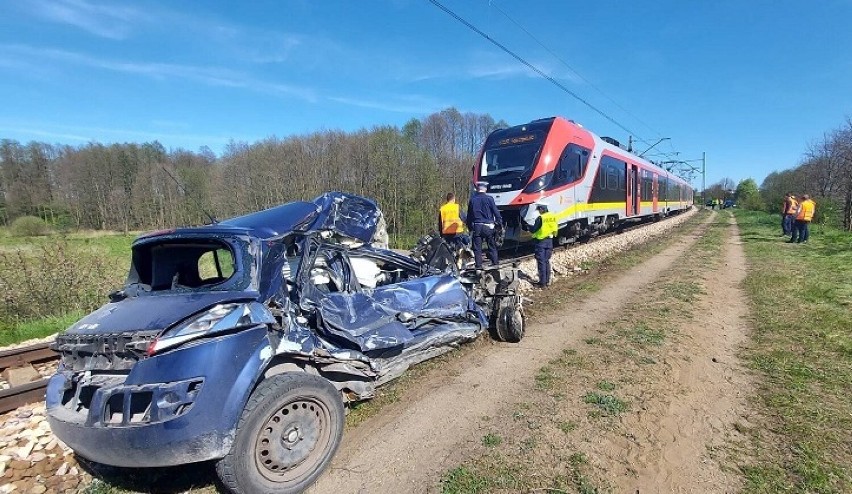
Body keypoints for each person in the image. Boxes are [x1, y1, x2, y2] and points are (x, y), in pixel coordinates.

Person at [466, 181, 503, 268]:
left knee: (477, 248)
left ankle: (478, 266)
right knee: (492, 245)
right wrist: (500, 223)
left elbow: (469, 216)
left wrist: (470, 227)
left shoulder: (472, 200)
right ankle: (495, 263)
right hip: (488, 227)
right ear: (485, 189)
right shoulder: (489, 199)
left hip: (477, 226)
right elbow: (496, 212)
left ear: (477, 189)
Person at [525, 202, 557, 288]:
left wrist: (528, 227)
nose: (538, 211)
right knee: (546, 261)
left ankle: (542, 283)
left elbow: (534, 229)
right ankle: (547, 281)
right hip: (549, 241)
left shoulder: (541, 218)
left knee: (541, 262)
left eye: (539, 210)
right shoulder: (552, 216)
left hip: (541, 242)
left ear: (542, 209)